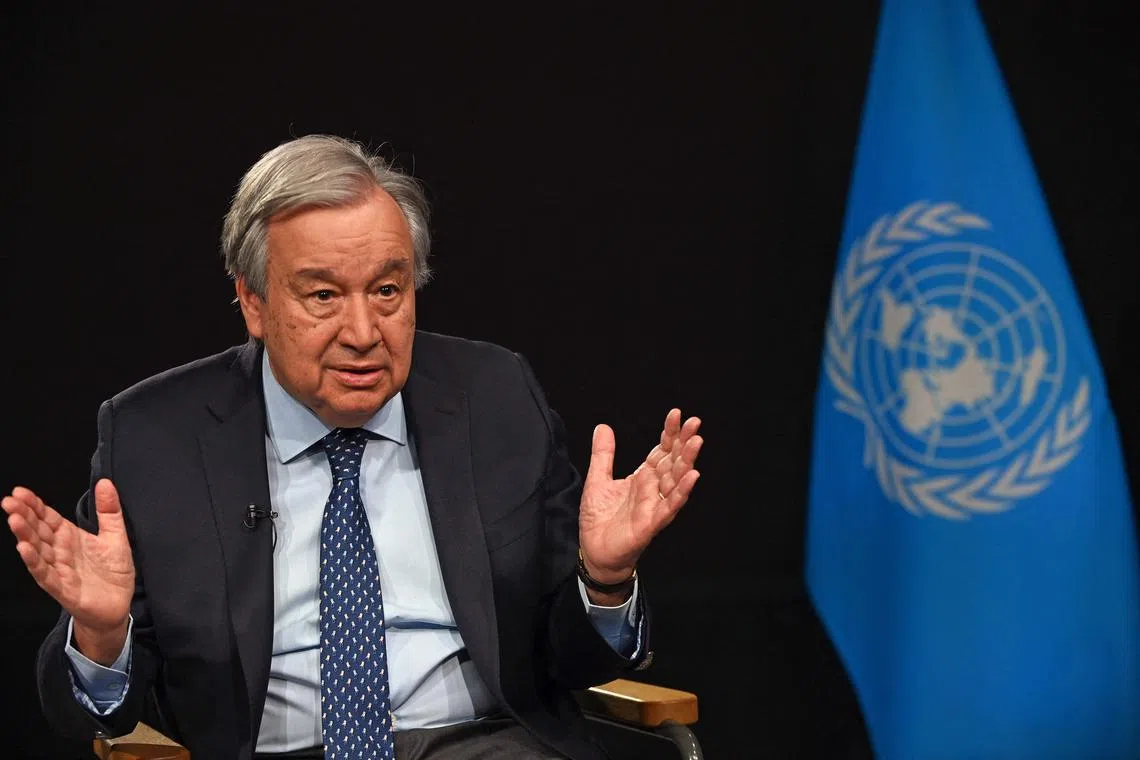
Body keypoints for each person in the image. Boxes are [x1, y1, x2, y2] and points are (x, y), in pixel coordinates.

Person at [2, 134, 703, 760]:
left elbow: (567, 661)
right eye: (323, 296)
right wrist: (101, 636)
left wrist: (605, 582)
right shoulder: (156, 436)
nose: (364, 331)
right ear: (253, 303)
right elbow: (84, 712)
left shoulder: (493, 398)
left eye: (388, 290)